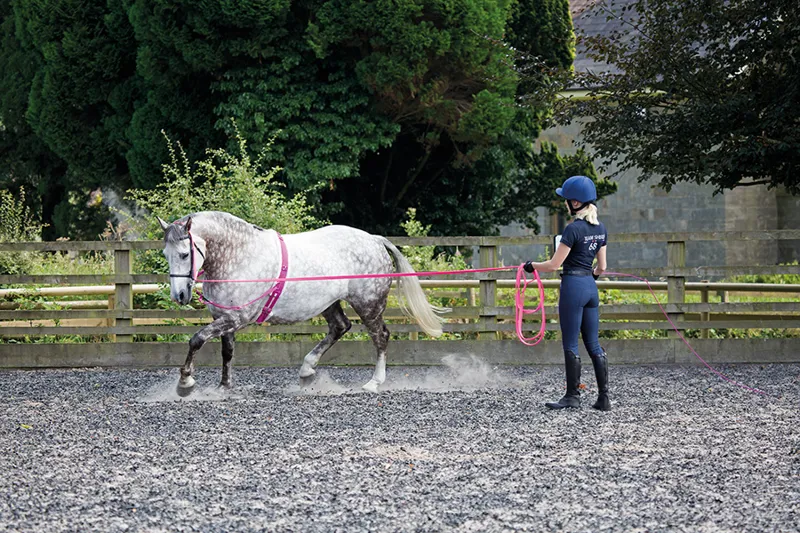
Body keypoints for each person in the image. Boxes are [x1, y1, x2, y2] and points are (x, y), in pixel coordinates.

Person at [524, 175, 610, 411]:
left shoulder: (572, 229)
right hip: (591, 289)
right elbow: (601, 268)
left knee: (571, 343)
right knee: (593, 343)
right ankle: (604, 398)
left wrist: (531, 266)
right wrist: (591, 276)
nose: (564, 203)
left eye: (566, 199)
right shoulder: (600, 228)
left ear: (575, 203)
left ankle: (572, 396)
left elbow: (553, 265)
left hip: (573, 286)